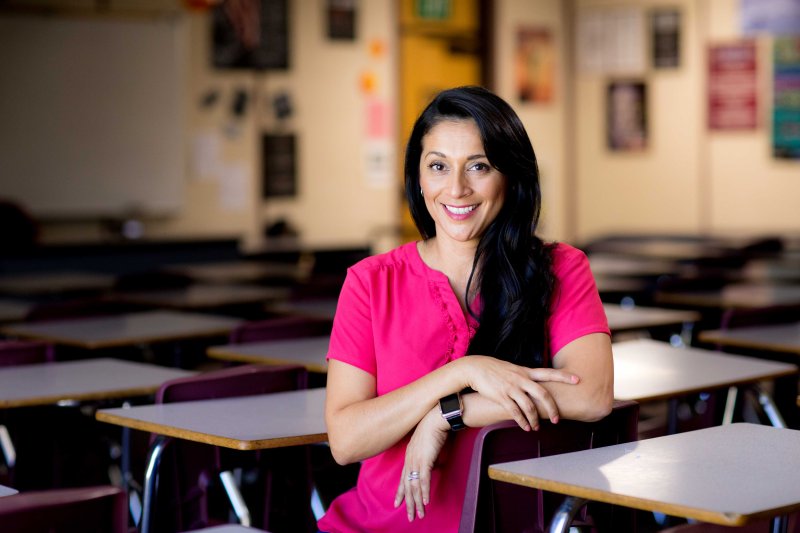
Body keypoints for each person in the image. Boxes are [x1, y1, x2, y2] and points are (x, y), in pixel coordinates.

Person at [320, 86, 613, 533]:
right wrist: (460, 373)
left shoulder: (561, 268)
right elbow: (345, 441)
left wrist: (448, 414)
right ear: (418, 179)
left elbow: (591, 396)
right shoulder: (370, 282)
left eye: (478, 166)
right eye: (438, 166)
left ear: (510, 176)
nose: (456, 188)